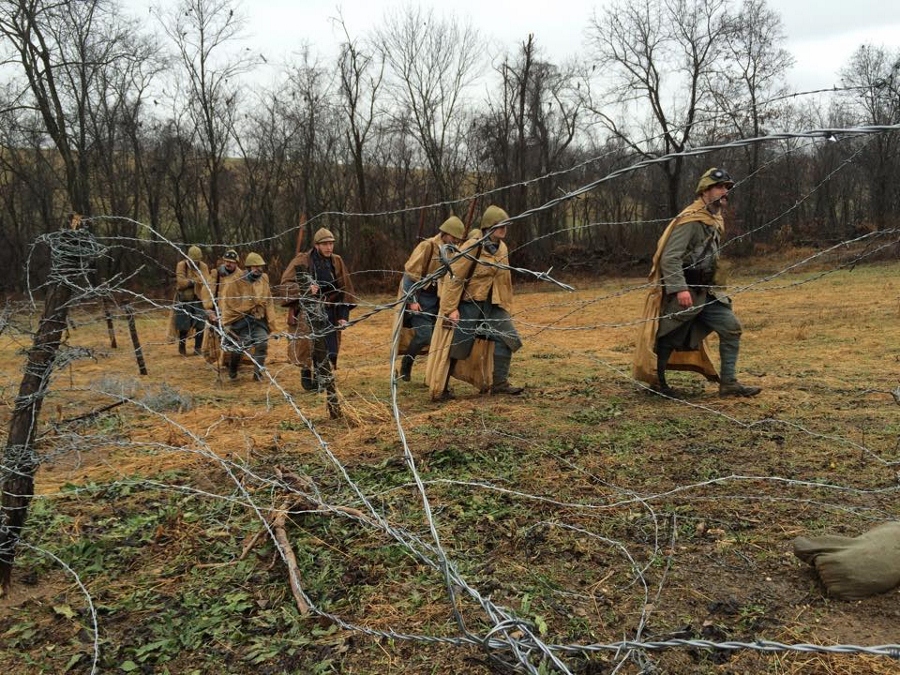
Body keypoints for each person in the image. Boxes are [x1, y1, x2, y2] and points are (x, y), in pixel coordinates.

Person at [634, 167, 761, 398]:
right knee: (668, 336)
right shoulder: (691, 219)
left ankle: (729, 384)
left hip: (709, 291)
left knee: (731, 328)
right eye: (720, 187)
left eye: (727, 188)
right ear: (705, 190)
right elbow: (669, 257)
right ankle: (658, 383)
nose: (725, 192)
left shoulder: (714, 219)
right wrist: (680, 288)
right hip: (686, 290)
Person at [429, 205, 524, 398]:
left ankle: (499, 384)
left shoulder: (502, 248)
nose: (504, 229)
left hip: (492, 304)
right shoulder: (472, 246)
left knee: (509, 338)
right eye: (500, 225)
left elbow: (504, 280)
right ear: (489, 226)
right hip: (469, 303)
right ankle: (442, 388)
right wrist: (450, 309)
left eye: (506, 225)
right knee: (458, 345)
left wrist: (505, 304)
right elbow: (454, 278)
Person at [279, 228, 356, 389]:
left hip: (330, 310)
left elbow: (345, 290)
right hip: (308, 310)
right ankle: (307, 377)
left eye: (331, 244)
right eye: (325, 244)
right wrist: (305, 288)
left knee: (330, 347)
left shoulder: (337, 261)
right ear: (316, 245)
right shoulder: (302, 260)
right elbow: (285, 284)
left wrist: (343, 315)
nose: (329, 247)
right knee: (309, 346)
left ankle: (323, 380)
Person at [396, 215, 466, 382]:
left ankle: (434, 376)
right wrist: (412, 301)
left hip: (440, 301)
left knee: (438, 339)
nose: (456, 241)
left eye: (458, 239)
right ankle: (407, 363)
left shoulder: (454, 251)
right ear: (446, 233)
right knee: (424, 335)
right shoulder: (427, 246)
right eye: (454, 237)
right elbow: (409, 277)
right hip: (421, 299)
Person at [219, 252, 278, 381]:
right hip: (241, 322)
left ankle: (258, 373)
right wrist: (250, 306)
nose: (258, 269)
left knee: (262, 343)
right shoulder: (236, 282)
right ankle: (233, 368)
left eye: (260, 266)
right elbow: (230, 303)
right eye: (255, 266)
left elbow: (268, 300)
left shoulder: (264, 279)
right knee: (240, 346)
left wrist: (269, 319)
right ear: (248, 267)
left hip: (258, 320)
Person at [201, 249, 242, 365]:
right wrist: (209, 309)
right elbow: (207, 291)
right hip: (217, 312)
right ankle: (217, 358)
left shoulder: (241, 275)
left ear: (236, 263)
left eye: (231, 262)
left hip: (234, 313)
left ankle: (231, 362)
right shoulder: (216, 274)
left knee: (233, 337)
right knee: (214, 338)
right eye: (226, 261)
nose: (228, 264)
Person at [173, 245, 209, 356]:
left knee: (200, 323)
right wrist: (195, 281)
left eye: (197, 261)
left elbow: (206, 280)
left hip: (199, 299)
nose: (195, 263)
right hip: (184, 299)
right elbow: (181, 282)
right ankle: (182, 347)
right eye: (193, 261)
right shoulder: (181, 265)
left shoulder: (203, 266)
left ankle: (198, 348)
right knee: (183, 324)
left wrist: (190, 282)